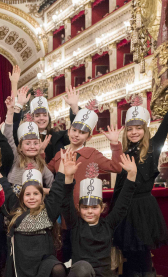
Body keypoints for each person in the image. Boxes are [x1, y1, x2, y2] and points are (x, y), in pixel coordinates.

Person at [3, 160, 82, 277]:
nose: (32, 197)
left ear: (42, 196)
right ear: (22, 197)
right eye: (28, 194)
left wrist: (62, 171)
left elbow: (58, 190)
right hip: (24, 267)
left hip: (44, 261)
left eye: (36, 194)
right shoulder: (16, 211)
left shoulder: (49, 211)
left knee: (58, 269)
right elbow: (6, 190)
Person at [62, 152, 136, 277]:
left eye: (94, 207)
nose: (89, 211)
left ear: (102, 208)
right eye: (85, 207)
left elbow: (123, 205)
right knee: (82, 268)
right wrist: (68, 177)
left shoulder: (108, 224)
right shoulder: (75, 224)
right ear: (79, 209)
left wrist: (131, 176)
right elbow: (64, 202)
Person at [47, 99, 124, 261]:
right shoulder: (59, 154)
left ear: (88, 136)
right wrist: (40, 153)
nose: (76, 134)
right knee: (66, 249)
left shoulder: (92, 154)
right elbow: (45, 173)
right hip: (64, 212)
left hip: (86, 212)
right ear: (69, 131)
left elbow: (116, 167)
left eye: (82, 132)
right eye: (74, 130)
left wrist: (115, 143)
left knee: (85, 251)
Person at [112, 95, 168, 277]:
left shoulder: (153, 146)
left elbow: (165, 125)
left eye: (138, 128)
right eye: (130, 128)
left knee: (143, 245)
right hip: (127, 205)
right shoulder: (125, 152)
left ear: (145, 130)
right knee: (131, 245)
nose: (134, 132)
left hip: (144, 205)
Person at [12, 86, 80, 164]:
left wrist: (74, 107)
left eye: (44, 115)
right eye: (37, 116)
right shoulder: (24, 136)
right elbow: (12, 131)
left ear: (48, 117)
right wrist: (18, 106)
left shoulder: (57, 136)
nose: (41, 118)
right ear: (32, 118)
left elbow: (76, 131)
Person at [4, 95, 53, 193]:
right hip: (14, 202)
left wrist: (44, 191)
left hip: (34, 202)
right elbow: (8, 136)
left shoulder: (41, 165)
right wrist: (10, 112)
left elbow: (53, 185)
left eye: (35, 143)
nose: (32, 146)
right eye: (27, 143)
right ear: (20, 147)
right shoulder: (16, 157)